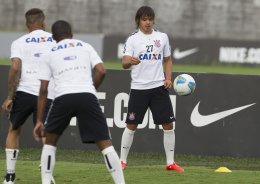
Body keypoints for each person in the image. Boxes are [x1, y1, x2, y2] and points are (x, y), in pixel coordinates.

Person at [33, 20, 125, 184]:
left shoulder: (49, 53)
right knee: (106, 145)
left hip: (63, 97)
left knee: (50, 143)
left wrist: (39, 120)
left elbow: (43, 90)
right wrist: (90, 88)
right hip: (87, 96)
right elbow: (101, 71)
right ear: (72, 34)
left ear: (53, 37)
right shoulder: (85, 46)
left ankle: (46, 181)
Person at [119, 6, 184, 172]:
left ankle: (170, 163)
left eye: (150, 19)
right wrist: (129, 61)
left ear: (153, 20)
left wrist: (168, 78)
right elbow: (124, 62)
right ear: (138, 21)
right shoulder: (133, 39)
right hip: (139, 89)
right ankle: (122, 161)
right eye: (144, 19)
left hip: (158, 88)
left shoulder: (162, 37)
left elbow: (168, 60)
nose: (147, 22)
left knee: (168, 125)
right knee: (131, 125)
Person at [1, 8, 56, 184]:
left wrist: (10, 96)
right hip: (47, 92)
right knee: (47, 135)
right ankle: (47, 176)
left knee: (14, 129)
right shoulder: (55, 40)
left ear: (27, 24)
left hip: (24, 91)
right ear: (43, 22)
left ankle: (9, 177)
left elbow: (15, 68)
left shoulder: (19, 42)